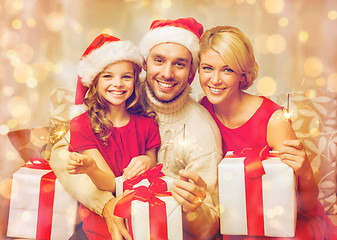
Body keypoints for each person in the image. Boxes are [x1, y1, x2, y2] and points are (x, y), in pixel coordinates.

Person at [50, 17, 223, 240]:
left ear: (192, 70)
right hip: (100, 221)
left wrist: (194, 208)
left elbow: (208, 227)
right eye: (159, 60)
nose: (167, 74)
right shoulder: (119, 95)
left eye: (179, 64)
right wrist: (106, 204)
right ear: (145, 62)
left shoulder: (201, 129)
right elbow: (61, 153)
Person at [199, 25, 337, 239]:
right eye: (207, 68)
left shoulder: (273, 120)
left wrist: (306, 171)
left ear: (242, 75)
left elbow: (306, 204)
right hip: (240, 220)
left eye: (227, 70)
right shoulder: (202, 111)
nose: (215, 80)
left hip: (289, 220)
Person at [63, 33, 161, 239]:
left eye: (126, 76)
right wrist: (90, 168)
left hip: (142, 217)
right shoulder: (82, 125)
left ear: (135, 81)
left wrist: (146, 160)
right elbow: (109, 184)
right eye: (108, 76)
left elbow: (152, 161)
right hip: (101, 224)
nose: (118, 83)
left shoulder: (147, 123)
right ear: (95, 81)